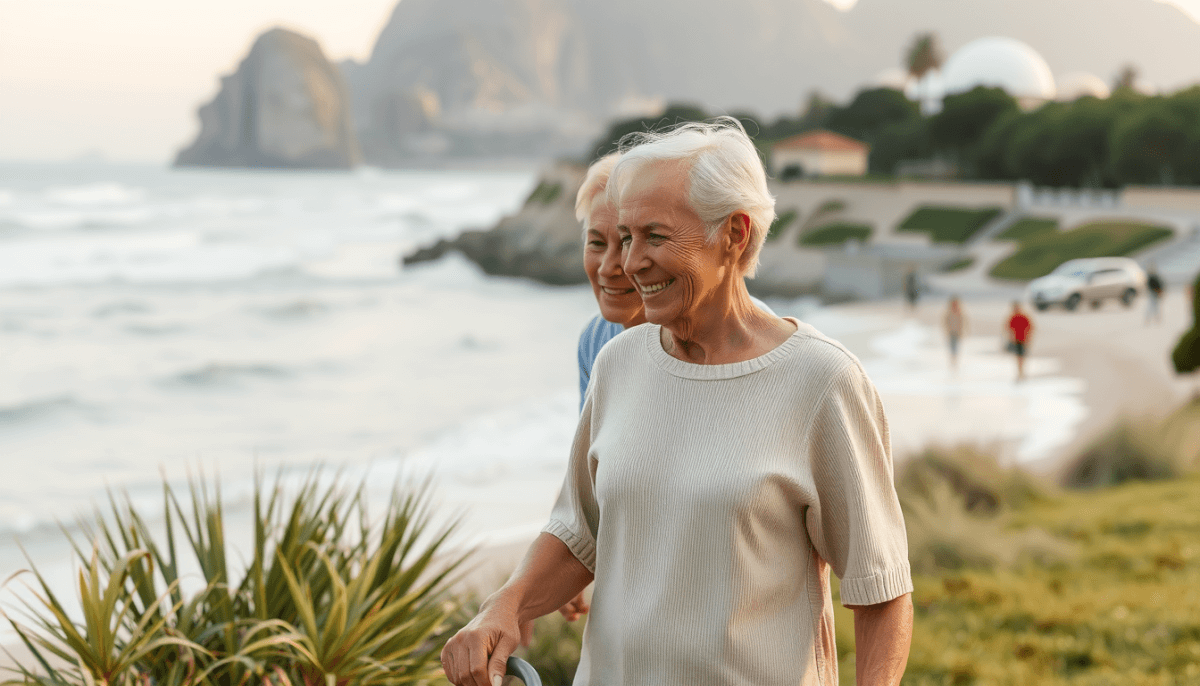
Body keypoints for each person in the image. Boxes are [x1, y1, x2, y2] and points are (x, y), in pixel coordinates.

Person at [442, 119, 912, 686]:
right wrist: (507, 606)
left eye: (655, 237)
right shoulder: (617, 363)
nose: (630, 262)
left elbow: (880, 592)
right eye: (624, 235)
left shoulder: (823, 381)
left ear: (735, 234)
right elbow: (577, 533)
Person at [562, 152, 778, 622]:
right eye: (597, 242)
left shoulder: (752, 354)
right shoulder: (597, 345)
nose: (615, 264)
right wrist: (552, 574)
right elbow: (592, 481)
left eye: (637, 239)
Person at [1007, 301, 1033, 381]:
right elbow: (1009, 328)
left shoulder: (1023, 317)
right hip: (1016, 340)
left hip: (1023, 340)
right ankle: (1020, 372)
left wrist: (1028, 338)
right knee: (1019, 357)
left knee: (1021, 357)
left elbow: (1030, 328)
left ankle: (1021, 372)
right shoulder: (1013, 317)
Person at [944, 296, 967, 372]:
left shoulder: (959, 313)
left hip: (957, 332)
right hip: (951, 332)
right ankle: (952, 358)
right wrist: (947, 330)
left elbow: (962, 322)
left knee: (956, 346)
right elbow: (946, 322)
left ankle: (955, 358)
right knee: (952, 346)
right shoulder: (949, 313)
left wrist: (961, 330)